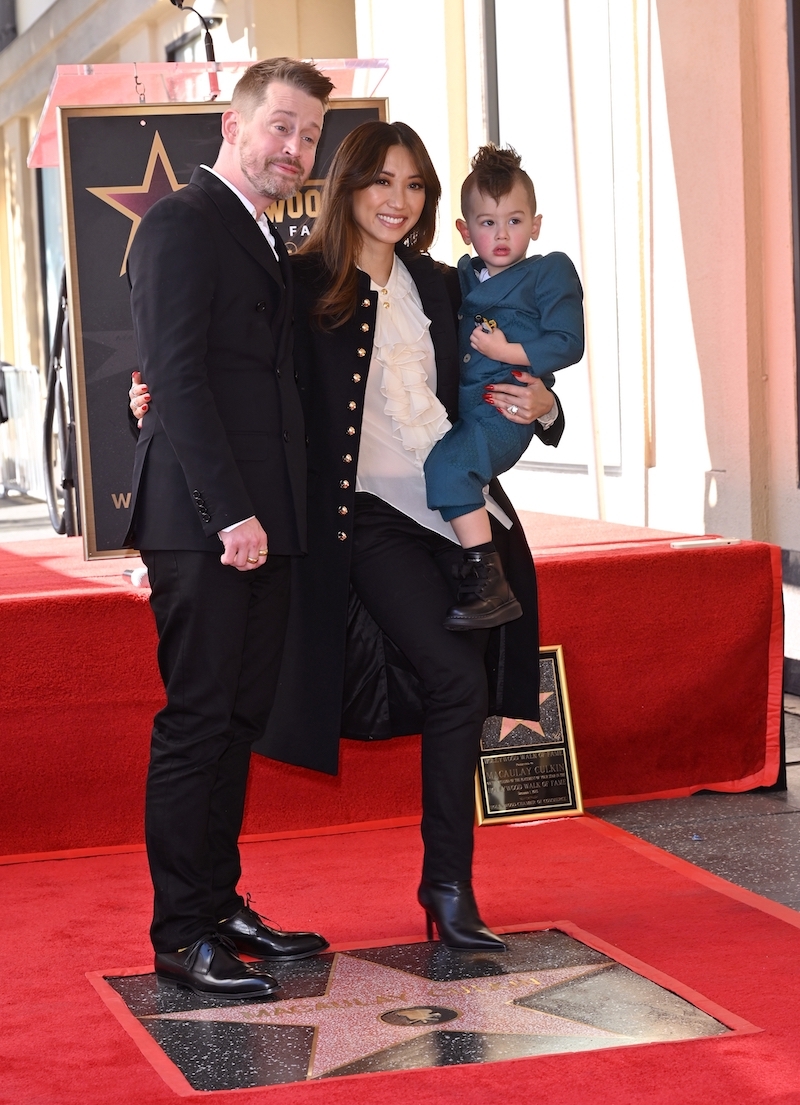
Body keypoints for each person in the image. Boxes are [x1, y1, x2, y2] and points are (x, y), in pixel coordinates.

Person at [132, 121, 565, 952]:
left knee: (463, 687)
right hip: (362, 518)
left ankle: (446, 884)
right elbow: (219, 363)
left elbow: (499, 371)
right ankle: (444, 888)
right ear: (348, 186)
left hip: (458, 515)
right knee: (450, 672)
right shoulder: (299, 282)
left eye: (414, 186)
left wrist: (546, 407)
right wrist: (142, 398)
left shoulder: (445, 285)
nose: (398, 201)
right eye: (381, 181)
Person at [124, 58, 333, 1000]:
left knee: (238, 721)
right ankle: (180, 933)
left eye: (310, 135)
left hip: (262, 519)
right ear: (234, 124)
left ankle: (215, 905)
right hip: (210, 520)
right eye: (282, 126)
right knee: (199, 720)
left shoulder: (260, 233)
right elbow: (176, 375)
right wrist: (231, 513)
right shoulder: (181, 221)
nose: (296, 147)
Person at [423, 144, 584, 631]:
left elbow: (568, 341)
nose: (500, 235)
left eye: (514, 221)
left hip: (504, 408)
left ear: (535, 225)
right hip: (462, 412)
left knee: (450, 467)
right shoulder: (459, 277)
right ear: (464, 230)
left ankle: (487, 580)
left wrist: (507, 352)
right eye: (487, 223)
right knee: (445, 467)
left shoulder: (548, 270)